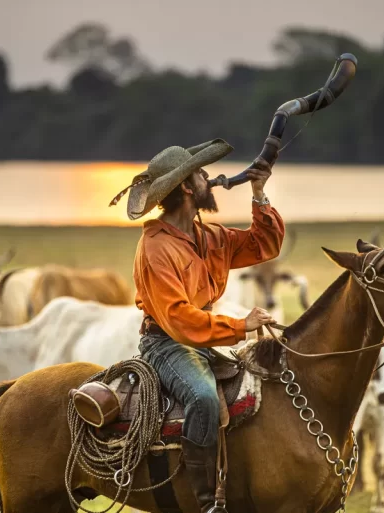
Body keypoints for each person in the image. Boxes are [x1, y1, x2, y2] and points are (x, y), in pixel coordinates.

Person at [109, 138, 285, 512]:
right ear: (188, 187)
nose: (209, 178)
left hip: (201, 339)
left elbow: (265, 245)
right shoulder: (156, 248)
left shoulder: (209, 235)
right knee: (203, 397)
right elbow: (177, 319)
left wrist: (259, 192)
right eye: (201, 174)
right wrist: (240, 325)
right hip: (167, 344)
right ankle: (205, 501)